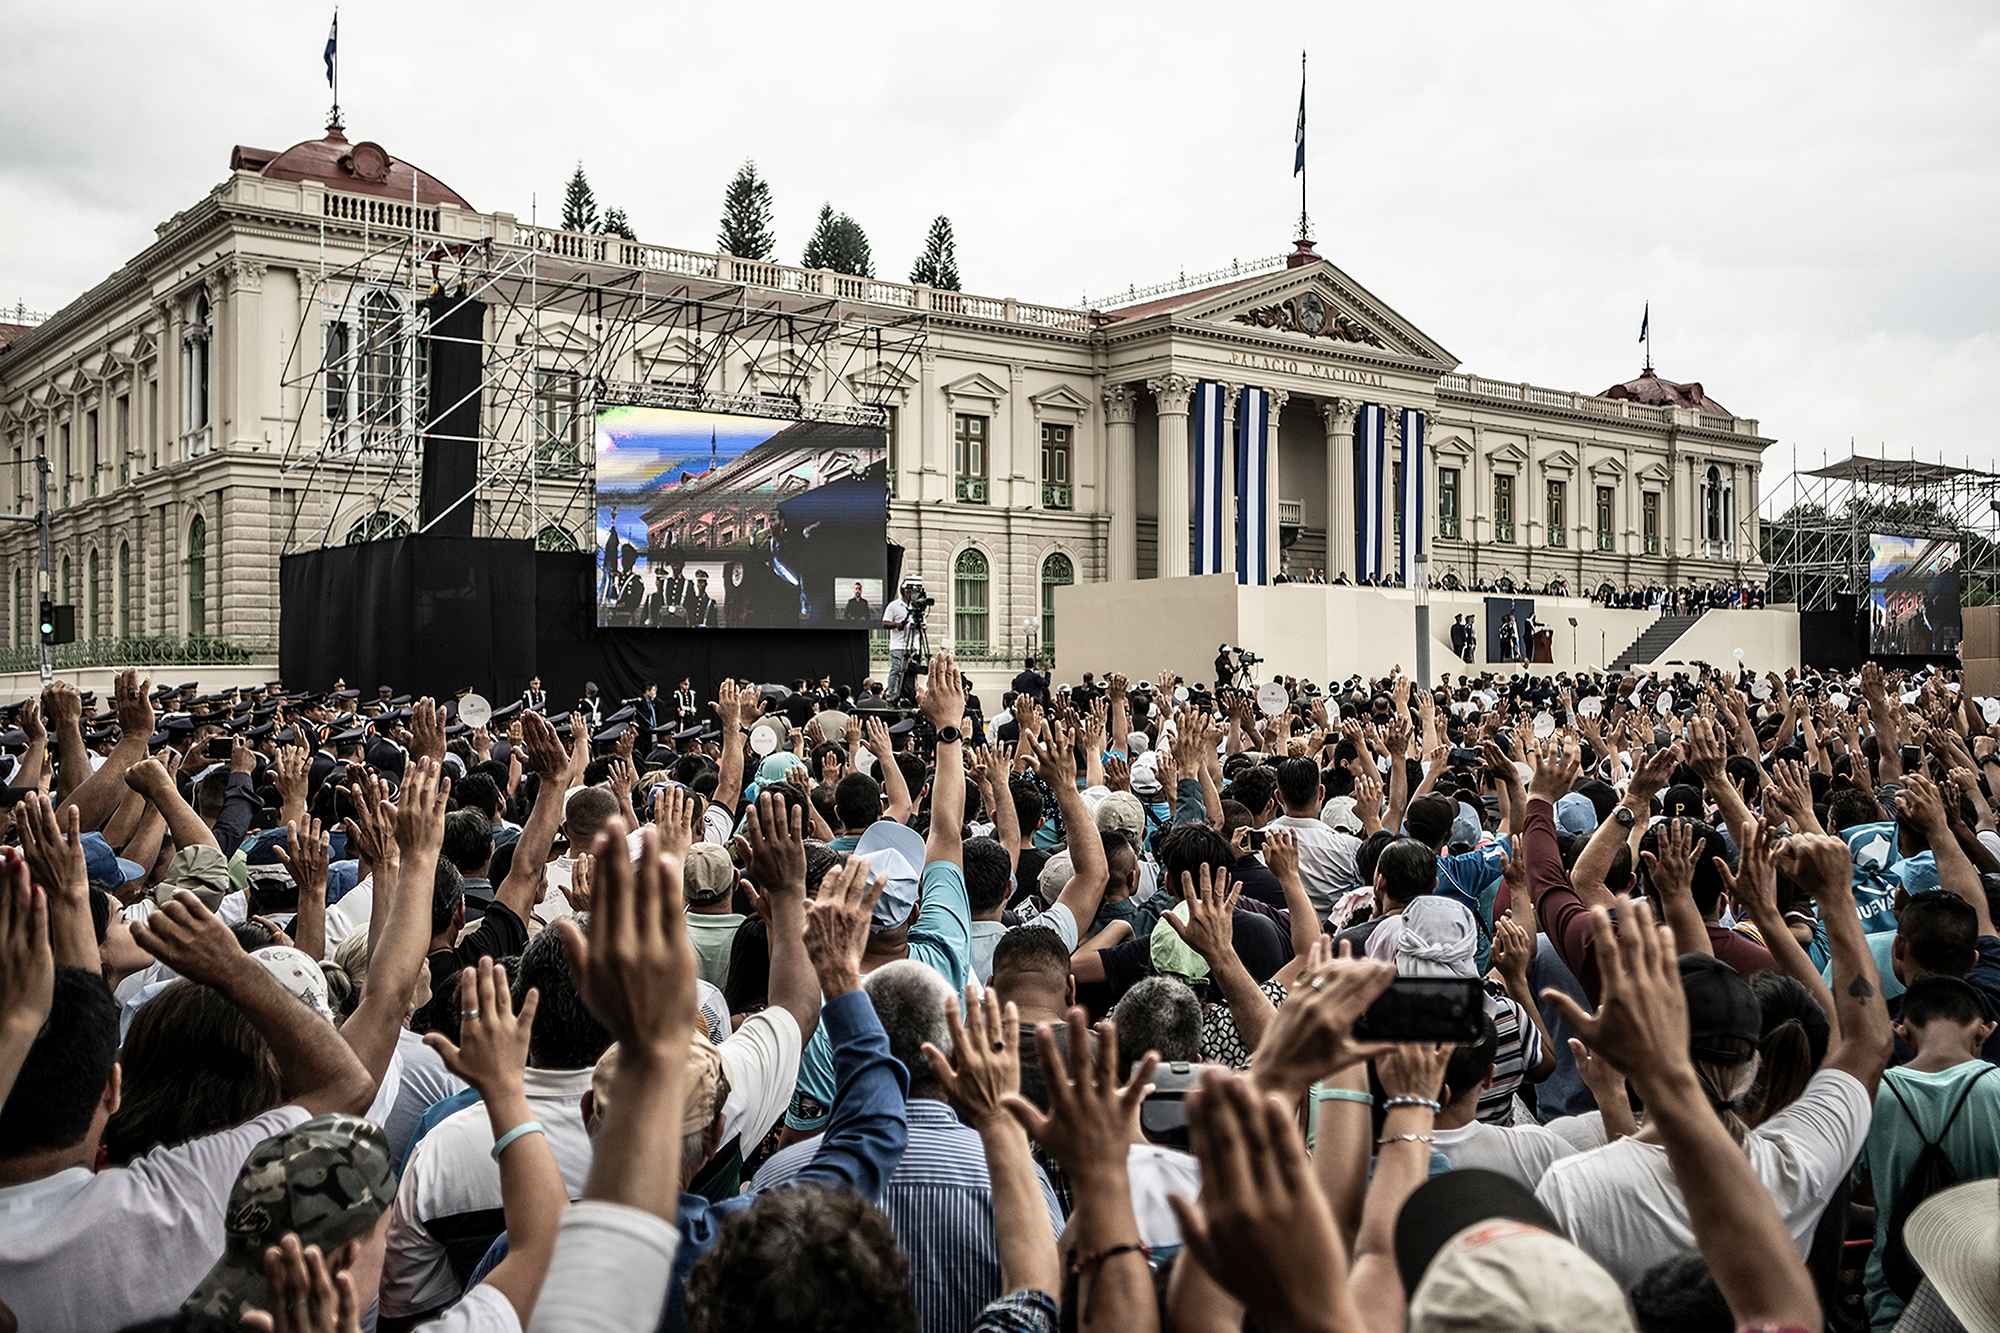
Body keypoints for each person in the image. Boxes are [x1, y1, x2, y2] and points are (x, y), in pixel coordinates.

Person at [882, 583, 917, 702]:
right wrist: (898, 624)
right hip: (898, 645)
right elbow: (885, 623)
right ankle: (892, 695)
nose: (911, 594)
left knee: (910, 672)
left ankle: (907, 696)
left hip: (913, 646)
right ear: (903, 592)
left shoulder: (915, 607)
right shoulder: (894, 606)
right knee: (896, 670)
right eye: (909, 591)